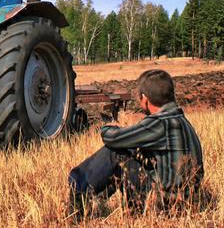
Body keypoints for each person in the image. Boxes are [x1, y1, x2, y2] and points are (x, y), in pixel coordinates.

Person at [68, 69, 203, 218]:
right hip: (188, 202)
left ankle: (78, 192)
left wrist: (108, 127)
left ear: (145, 99)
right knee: (133, 153)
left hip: (164, 204)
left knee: (117, 153)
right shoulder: (182, 121)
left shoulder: (160, 123)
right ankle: (99, 198)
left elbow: (113, 138)